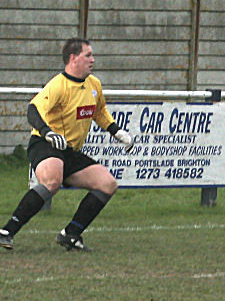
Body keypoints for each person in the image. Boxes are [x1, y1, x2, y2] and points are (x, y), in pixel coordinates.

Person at [0, 38, 134, 252]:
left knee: (107, 184)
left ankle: (71, 234)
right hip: (45, 144)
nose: (93, 59)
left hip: (69, 150)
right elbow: (33, 110)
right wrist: (48, 132)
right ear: (73, 58)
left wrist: (117, 132)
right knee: (52, 181)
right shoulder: (58, 85)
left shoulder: (94, 84)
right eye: (88, 55)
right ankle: (7, 231)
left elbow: (99, 112)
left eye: (92, 55)